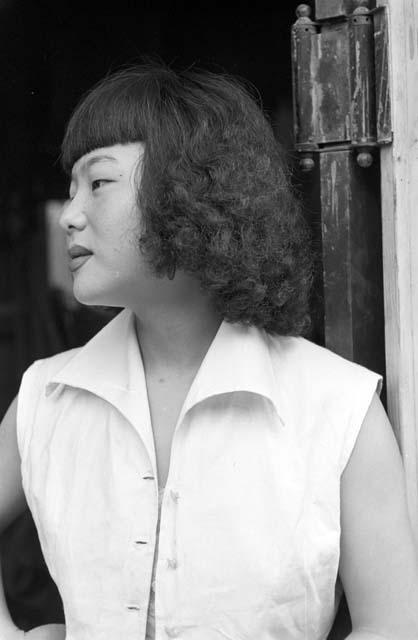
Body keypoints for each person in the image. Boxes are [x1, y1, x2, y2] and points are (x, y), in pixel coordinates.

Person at [0, 63, 417, 640]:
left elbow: (392, 628)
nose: (70, 215)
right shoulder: (44, 398)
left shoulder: (337, 408)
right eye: (70, 189)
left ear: (191, 190)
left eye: (98, 184)